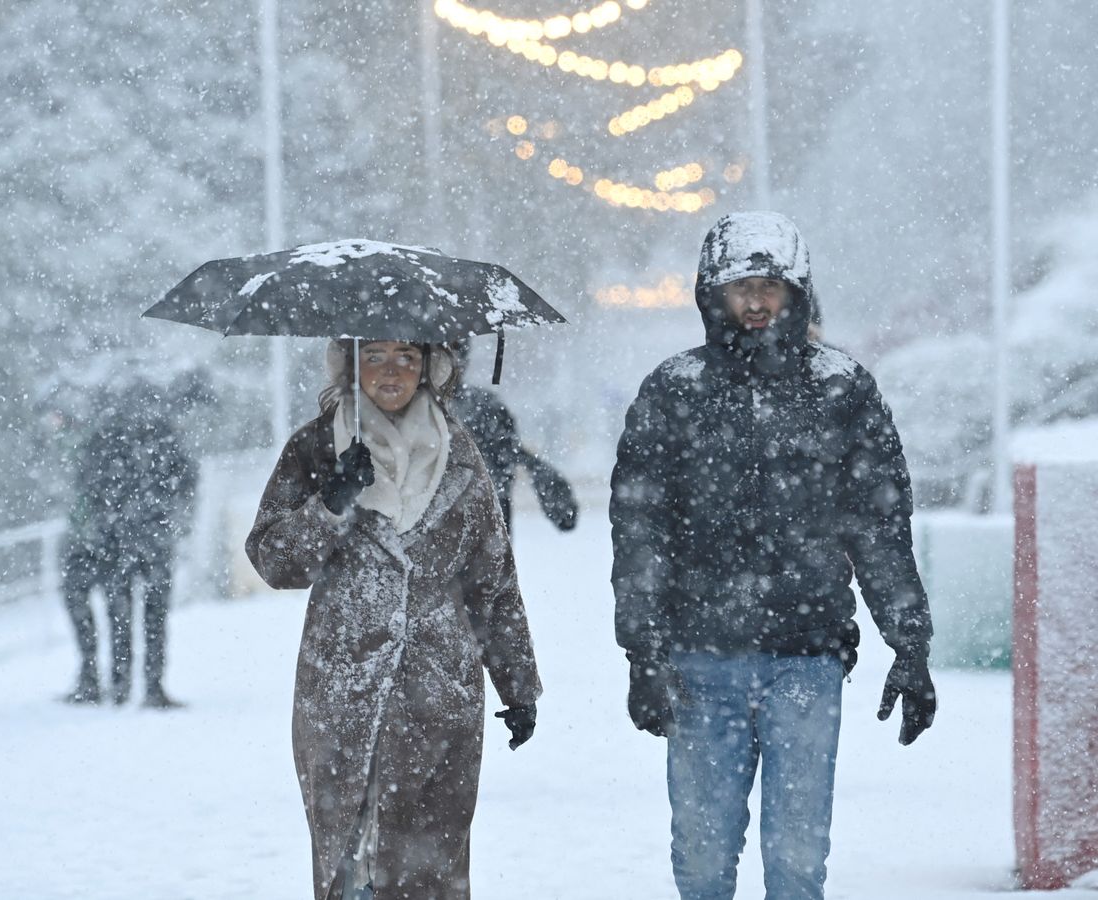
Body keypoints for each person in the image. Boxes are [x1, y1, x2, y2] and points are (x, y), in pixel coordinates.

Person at [610, 211, 937, 900]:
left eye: (770, 286)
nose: (756, 302)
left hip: (807, 659)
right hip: (699, 660)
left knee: (796, 863)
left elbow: (879, 526)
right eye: (740, 288)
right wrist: (642, 652)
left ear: (797, 293)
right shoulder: (674, 390)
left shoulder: (842, 388)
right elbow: (640, 530)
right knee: (701, 861)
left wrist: (909, 644)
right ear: (712, 294)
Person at [246, 338, 542, 900]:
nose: (391, 371)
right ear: (350, 364)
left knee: (430, 871)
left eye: (407, 357)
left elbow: (494, 580)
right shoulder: (313, 447)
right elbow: (273, 561)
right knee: (349, 869)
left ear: (430, 368)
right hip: (341, 692)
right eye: (375, 355)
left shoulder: (462, 454)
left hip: (440, 696)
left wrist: (518, 683)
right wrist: (331, 503)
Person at [60, 382, 197, 709]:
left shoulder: (103, 440)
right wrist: (169, 515)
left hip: (116, 543)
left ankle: (121, 684)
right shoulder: (163, 436)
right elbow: (187, 480)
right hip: (153, 539)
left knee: (119, 614)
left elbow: (86, 487)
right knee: (155, 617)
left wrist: (107, 521)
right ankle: (152, 687)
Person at [446, 339, 579, 533]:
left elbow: (511, 452)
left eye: (455, 350)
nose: (451, 359)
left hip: (483, 535)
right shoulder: (483, 406)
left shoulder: (484, 407)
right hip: (484, 534)